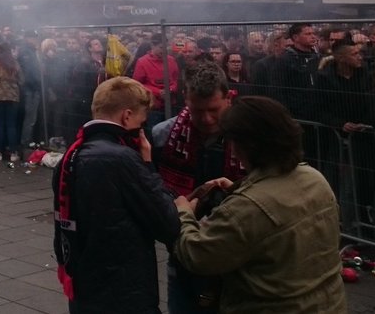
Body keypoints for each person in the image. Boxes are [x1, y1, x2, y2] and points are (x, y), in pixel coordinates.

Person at [172, 96, 346, 314]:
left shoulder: (246, 208)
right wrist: (241, 187)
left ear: (247, 145)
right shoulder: (314, 178)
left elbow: (197, 255)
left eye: (233, 142)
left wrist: (184, 213)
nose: (233, 151)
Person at [52, 77, 180, 314]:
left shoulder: (71, 156)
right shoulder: (123, 159)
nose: (142, 130)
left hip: (84, 289)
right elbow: (168, 222)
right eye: (142, 122)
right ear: (127, 116)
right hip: (125, 292)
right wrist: (148, 164)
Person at [152, 60, 243, 314]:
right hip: (182, 248)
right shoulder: (164, 135)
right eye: (196, 110)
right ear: (186, 100)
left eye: (214, 109)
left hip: (235, 248)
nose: (206, 118)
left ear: (228, 98)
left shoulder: (248, 135)